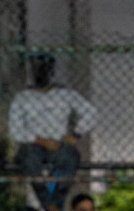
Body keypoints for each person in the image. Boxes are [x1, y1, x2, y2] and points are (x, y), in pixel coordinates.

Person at [9, 55, 97, 184]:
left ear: (52, 72)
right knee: (28, 158)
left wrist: (76, 134)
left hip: (59, 144)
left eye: (44, 69)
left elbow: (90, 112)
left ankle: (54, 200)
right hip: (33, 145)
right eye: (37, 69)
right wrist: (41, 141)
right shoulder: (23, 97)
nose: (40, 73)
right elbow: (16, 130)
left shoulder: (65, 94)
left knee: (71, 157)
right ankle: (49, 202)